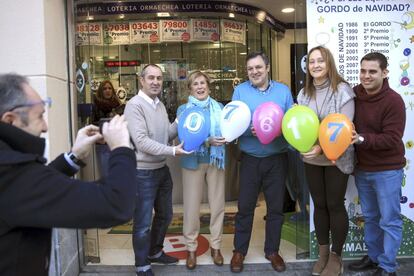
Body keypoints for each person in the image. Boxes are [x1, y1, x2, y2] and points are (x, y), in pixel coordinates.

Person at [0, 73, 136, 276]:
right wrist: (121, 148)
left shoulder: (10, 169)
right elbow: (116, 205)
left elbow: (33, 188)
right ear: (10, 120)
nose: (45, 127)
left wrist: (73, 156)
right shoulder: (12, 174)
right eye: (39, 116)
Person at [230, 52, 294, 273]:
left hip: (277, 159)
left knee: (275, 208)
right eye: (250, 69)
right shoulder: (240, 91)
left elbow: (292, 122)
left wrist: (277, 131)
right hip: (250, 159)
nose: (254, 72)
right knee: (245, 208)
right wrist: (251, 129)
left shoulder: (283, 92)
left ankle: (272, 251)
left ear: (267, 68)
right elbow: (233, 123)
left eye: (258, 67)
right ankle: (239, 251)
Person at [124, 64, 190, 276]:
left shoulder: (159, 104)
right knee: (143, 223)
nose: (155, 82)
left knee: (165, 215)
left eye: (159, 78)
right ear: (141, 80)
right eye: (151, 78)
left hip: (162, 170)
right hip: (142, 172)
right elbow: (142, 142)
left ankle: (154, 252)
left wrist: (180, 120)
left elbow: (166, 135)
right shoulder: (134, 105)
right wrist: (172, 151)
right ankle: (142, 264)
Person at [297, 46, 355, 276]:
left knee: (334, 205)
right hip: (312, 160)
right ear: (307, 66)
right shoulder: (303, 94)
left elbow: (344, 129)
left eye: (320, 61)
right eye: (312, 62)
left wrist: (321, 147)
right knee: (319, 206)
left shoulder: (343, 91)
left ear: (329, 63)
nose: (316, 65)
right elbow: (299, 126)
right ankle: (322, 254)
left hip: (336, 159)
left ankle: (336, 257)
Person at [349, 52, 406, 276]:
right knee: (371, 217)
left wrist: (361, 139)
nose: (366, 76)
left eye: (372, 71)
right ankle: (374, 258)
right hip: (363, 169)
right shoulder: (354, 94)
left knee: (389, 220)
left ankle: (387, 266)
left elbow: (392, 138)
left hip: (387, 170)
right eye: (363, 71)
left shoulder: (394, 101)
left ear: (385, 72)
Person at [176, 71, 226, 270]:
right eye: (195, 84)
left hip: (216, 160)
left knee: (218, 205)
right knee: (191, 208)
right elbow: (183, 138)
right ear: (190, 88)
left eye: (202, 83)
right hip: (192, 161)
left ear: (208, 86)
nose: (199, 87)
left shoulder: (219, 108)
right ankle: (191, 249)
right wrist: (207, 141)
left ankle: (216, 247)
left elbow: (227, 131)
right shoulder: (183, 110)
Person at [92, 80, 125, 178]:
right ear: (101, 91)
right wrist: (105, 123)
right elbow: (93, 124)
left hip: (117, 144)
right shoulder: (96, 105)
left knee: (118, 175)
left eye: (110, 88)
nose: (107, 91)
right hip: (103, 145)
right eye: (104, 88)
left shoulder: (117, 104)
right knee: (106, 175)